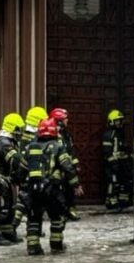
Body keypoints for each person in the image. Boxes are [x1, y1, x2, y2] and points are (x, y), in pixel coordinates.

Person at [25, 118, 83, 255]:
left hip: (33, 189)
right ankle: (56, 246)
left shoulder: (30, 147)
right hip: (52, 189)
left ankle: (33, 247)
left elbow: (22, 168)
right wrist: (76, 185)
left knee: (33, 218)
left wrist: (21, 184)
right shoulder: (58, 147)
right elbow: (67, 167)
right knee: (56, 217)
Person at [0, 112, 26, 245]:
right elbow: (15, 160)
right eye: (19, 130)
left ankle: (7, 232)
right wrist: (27, 163)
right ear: (13, 128)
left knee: (8, 207)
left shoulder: (7, 141)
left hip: (5, 180)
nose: (20, 133)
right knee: (0, 207)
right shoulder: (4, 143)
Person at [13, 105, 49, 234]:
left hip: (23, 171)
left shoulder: (24, 134)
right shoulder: (35, 137)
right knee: (33, 202)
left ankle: (15, 226)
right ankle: (31, 229)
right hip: (33, 172)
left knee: (23, 199)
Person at [49, 107, 81, 221]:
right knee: (59, 190)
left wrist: (75, 164)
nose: (67, 121)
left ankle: (70, 209)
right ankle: (60, 212)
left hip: (67, 165)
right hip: (57, 168)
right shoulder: (52, 134)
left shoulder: (66, 134)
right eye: (65, 119)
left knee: (70, 188)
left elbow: (70, 150)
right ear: (58, 120)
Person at [102, 109, 131, 210]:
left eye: (120, 120)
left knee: (124, 182)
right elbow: (107, 151)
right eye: (117, 120)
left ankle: (123, 201)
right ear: (112, 121)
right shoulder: (109, 134)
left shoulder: (120, 133)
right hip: (112, 164)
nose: (120, 122)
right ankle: (111, 202)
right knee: (113, 182)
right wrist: (113, 163)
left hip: (121, 163)